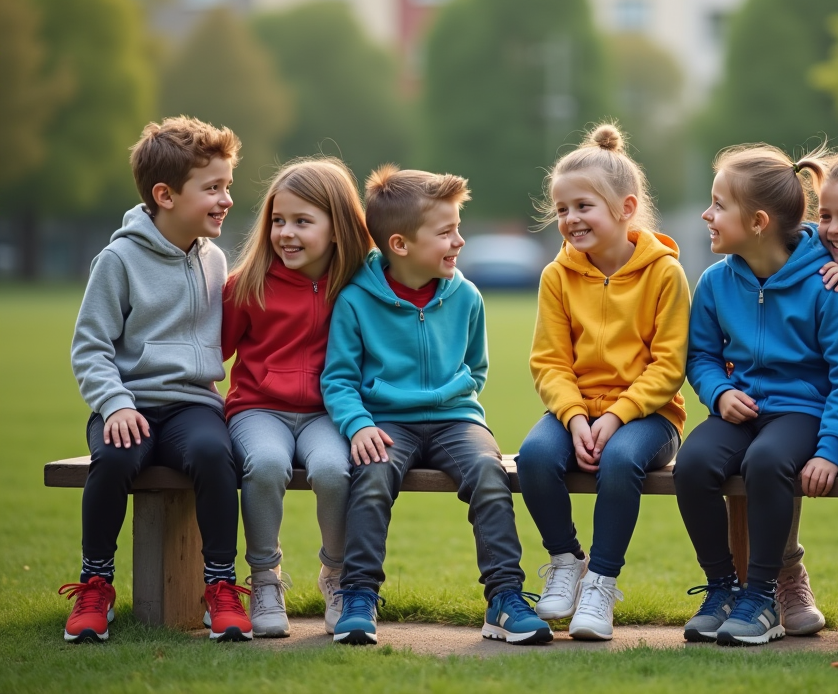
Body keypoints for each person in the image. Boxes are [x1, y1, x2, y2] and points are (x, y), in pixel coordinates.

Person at [321, 166, 551, 646]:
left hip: (456, 420)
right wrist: (359, 424)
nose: (459, 241)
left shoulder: (466, 295)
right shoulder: (355, 302)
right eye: (446, 233)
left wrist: (451, 393)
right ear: (401, 245)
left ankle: (505, 599)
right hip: (385, 423)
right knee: (371, 475)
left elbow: (476, 367)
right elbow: (339, 379)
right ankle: (358, 596)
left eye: (458, 229)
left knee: (490, 475)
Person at [63, 116, 251, 642]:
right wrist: (114, 403)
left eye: (227, 186)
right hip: (128, 406)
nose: (225, 199)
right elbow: (91, 347)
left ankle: (220, 588)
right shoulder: (118, 260)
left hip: (193, 408)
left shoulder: (214, 259)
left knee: (217, 456)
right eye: (212, 188)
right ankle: (95, 585)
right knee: (116, 459)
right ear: (165, 195)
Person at [674, 143, 838, 646]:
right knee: (693, 463)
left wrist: (829, 449)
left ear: (758, 221)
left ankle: (762, 597)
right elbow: (700, 357)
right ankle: (721, 589)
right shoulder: (717, 281)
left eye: (718, 205)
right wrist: (718, 394)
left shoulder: (823, 284)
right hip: (740, 408)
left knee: (765, 462)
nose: (706, 214)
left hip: (801, 412)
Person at [518, 125, 690, 641]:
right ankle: (567, 558)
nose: (570, 219)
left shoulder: (665, 274)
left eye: (583, 206)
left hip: (649, 417)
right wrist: (573, 419)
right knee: (534, 457)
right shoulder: (557, 276)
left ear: (625, 207)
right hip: (577, 412)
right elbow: (549, 361)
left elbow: (668, 365)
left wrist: (615, 417)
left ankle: (600, 582)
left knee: (619, 460)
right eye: (562, 209)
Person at [222, 158, 372, 637]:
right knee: (264, 464)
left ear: (338, 227)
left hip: (327, 413)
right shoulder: (246, 285)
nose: (285, 233)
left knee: (332, 469)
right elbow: (208, 358)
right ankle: (266, 578)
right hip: (258, 409)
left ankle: (337, 575)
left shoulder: (359, 285)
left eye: (302, 222)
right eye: (278, 221)